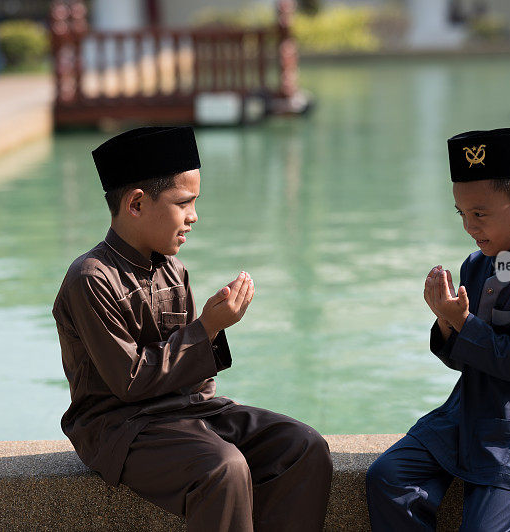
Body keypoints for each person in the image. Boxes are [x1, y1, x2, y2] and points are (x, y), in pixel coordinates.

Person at [52, 126, 332, 532]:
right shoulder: (90, 278)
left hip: (184, 410)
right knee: (223, 467)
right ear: (136, 204)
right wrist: (209, 327)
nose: (193, 216)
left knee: (303, 446)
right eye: (184, 202)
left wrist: (209, 336)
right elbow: (129, 382)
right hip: (118, 427)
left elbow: (197, 382)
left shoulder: (174, 270)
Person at [366, 128, 510, 531]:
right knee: (389, 477)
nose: (469, 226)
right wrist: (445, 320)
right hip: (464, 414)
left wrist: (462, 321)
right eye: (462, 213)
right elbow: (459, 360)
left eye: (480, 214)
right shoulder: (477, 264)